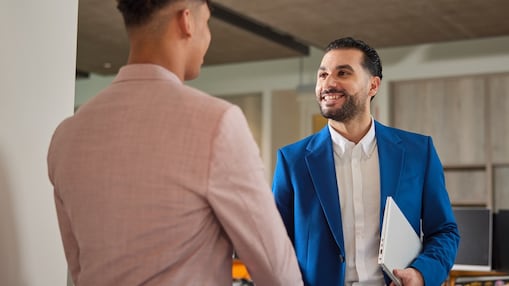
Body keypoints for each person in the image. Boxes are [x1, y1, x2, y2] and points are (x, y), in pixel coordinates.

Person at [47, 0, 303, 285]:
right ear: (186, 21)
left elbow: (78, 267)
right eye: (206, 22)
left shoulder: (66, 135)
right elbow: (278, 272)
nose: (208, 36)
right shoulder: (218, 122)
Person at [272, 37, 460, 286]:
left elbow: (444, 231)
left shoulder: (418, 153)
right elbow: (274, 244)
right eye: (323, 75)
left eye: (343, 73)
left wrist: (421, 274)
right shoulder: (292, 161)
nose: (328, 83)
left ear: (373, 85)